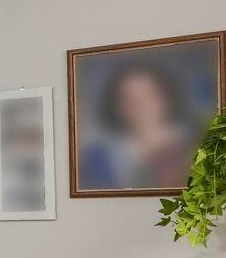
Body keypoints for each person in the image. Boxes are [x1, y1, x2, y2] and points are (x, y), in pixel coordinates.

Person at [82, 61, 199, 191]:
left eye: (148, 94)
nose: (140, 105)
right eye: (128, 98)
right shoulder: (100, 157)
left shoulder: (193, 146)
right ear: (117, 106)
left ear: (166, 99)